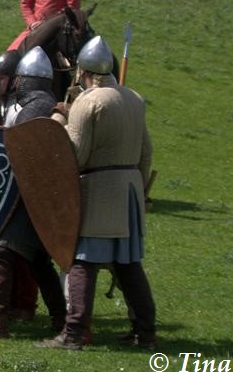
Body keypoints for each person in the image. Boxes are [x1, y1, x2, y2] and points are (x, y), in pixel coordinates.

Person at [40, 36, 156, 350]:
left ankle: (74, 333)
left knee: (83, 262)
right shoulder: (133, 98)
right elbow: (146, 152)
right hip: (129, 190)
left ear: (83, 71)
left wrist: (61, 120)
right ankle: (145, 332)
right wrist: (139, 188)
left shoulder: (88, 102)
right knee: (128, 265)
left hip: (100, 191)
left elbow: (76, 156)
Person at [0, 46, 66, 339]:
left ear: (24, 80)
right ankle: (60, 319)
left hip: (27, 197)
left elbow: (18, 152)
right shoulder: (44, 103)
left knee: (0, 253)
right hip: (38, 197)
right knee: (38, 261)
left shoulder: (35, 108)